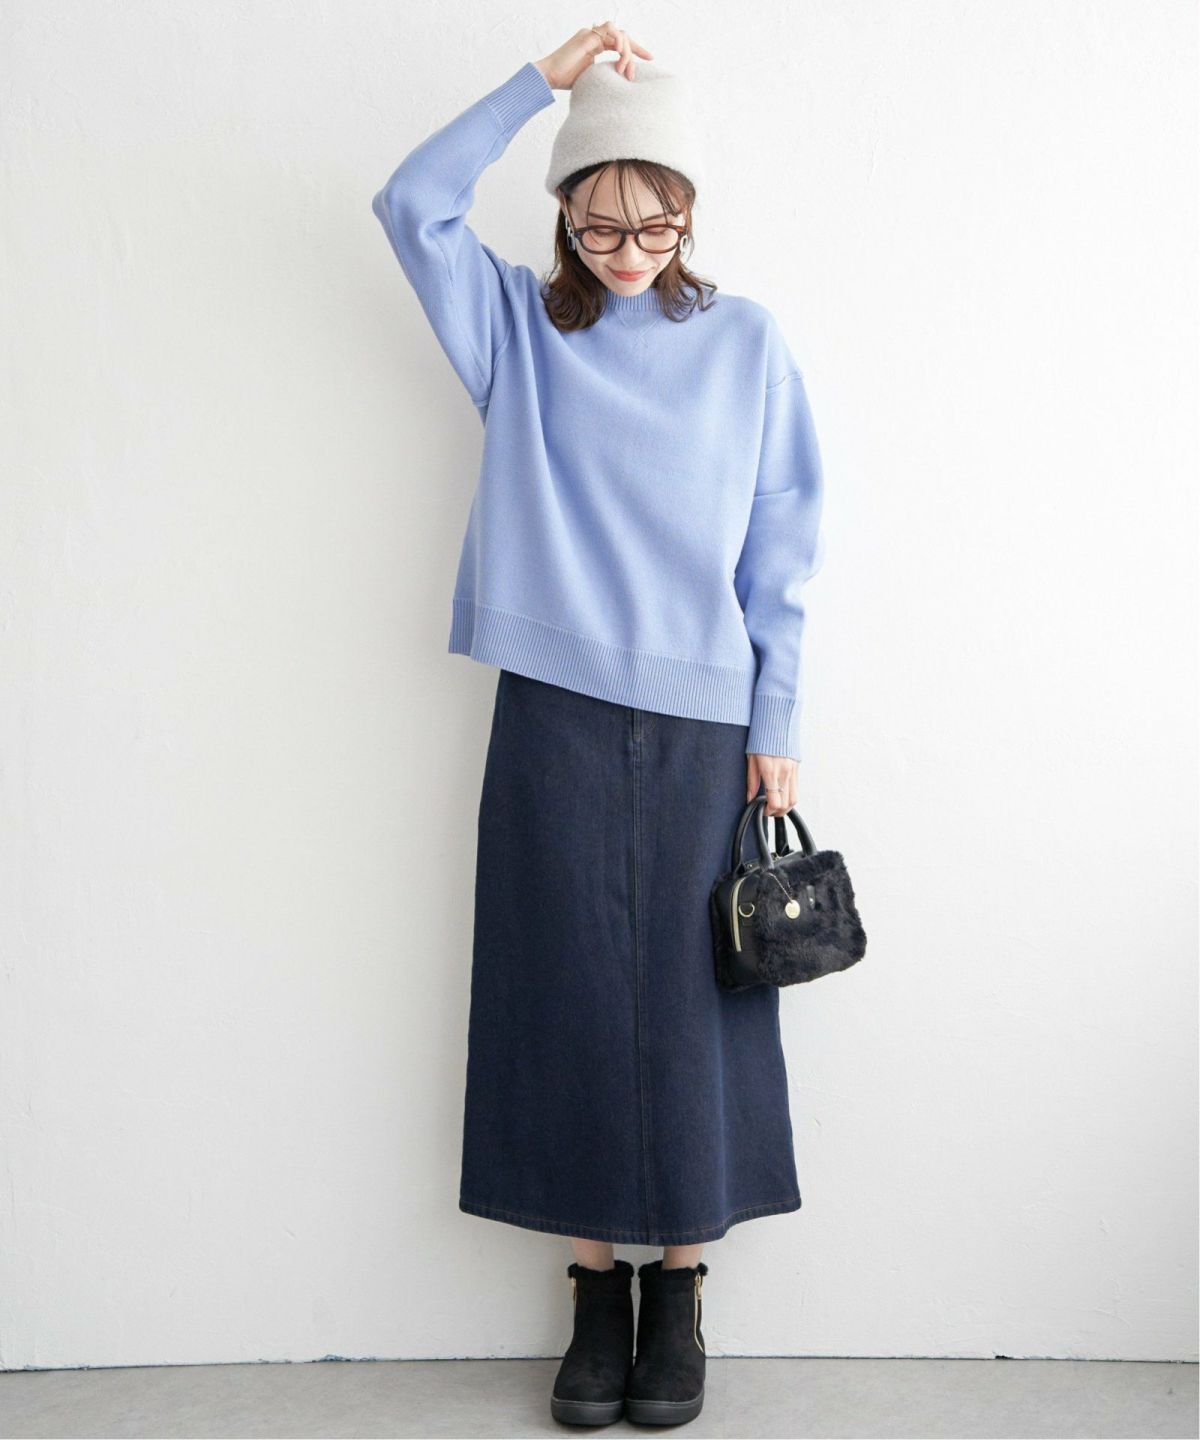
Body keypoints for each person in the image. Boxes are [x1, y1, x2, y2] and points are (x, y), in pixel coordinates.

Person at [371, 20, 826, 1428]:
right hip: (555, 703)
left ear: (690, 214)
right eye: (602, 219)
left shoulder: (746, 343)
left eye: (658, 220)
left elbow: (782, 547)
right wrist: (542, 83)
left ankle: (678, 1293)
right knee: (560, 988)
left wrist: (777, 718)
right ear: (564, 211)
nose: (631, 248)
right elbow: (410, 203)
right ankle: (592, 1297)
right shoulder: (517, 327)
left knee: (697, 1004)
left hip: (704, 720)